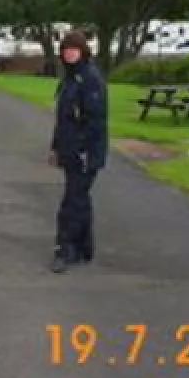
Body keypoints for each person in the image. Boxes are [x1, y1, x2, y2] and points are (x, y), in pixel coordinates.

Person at [47, 30, 109, 273]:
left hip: (85, 152)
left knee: (72, 202)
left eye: (74, 49)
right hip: (69, 149)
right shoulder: (69, 79)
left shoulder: (90, 79)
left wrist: (85, 150)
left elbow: (95, 121)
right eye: (66, 49)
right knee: (79, 199)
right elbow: (63, 119)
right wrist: (55, 147)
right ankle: (84, 247)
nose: (69, 53)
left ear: (83, 51)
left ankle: (66, 249)